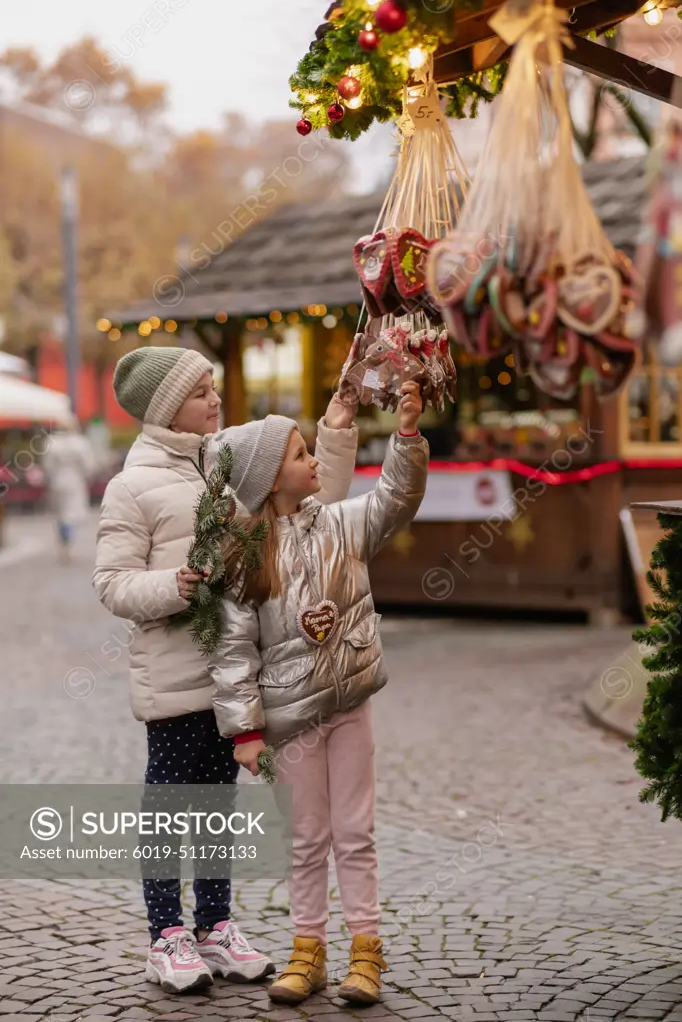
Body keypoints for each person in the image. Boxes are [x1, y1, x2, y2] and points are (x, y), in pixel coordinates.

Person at [92, 346, 359, 995]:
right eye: (201, 391)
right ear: (165, 408)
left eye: (214, 387)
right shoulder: (132, 487)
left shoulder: (227, 461)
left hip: (233, 682)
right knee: (168, 807)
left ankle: (214, 925)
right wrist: (176, 586)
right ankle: (166, 936)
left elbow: (304, 481)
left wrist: (340, 426)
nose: (215, 399)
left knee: (218, 807)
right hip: (175, 680)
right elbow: (113, 583)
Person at [210, 381, 428, 1008]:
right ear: (269, 479)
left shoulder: (342, 523)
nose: (315, 462)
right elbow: (232, 650)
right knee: (306, 837)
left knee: (355, 832)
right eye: (302, 454)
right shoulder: (245, 558)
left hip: (349, 704)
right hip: (289, 721)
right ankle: (307, 951)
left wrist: (407, 434)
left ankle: (366, 950)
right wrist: (245, 729)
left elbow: (395, 498)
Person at [43, 415, 95, 562]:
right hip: (75, 482)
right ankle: (68, 543)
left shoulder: (52, 443)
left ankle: (64, 542)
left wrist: (51, 478)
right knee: (70, 515)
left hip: (57, 482)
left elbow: (47, 465)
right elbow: (89, 466)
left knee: (61, 515)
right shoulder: (81, 443)